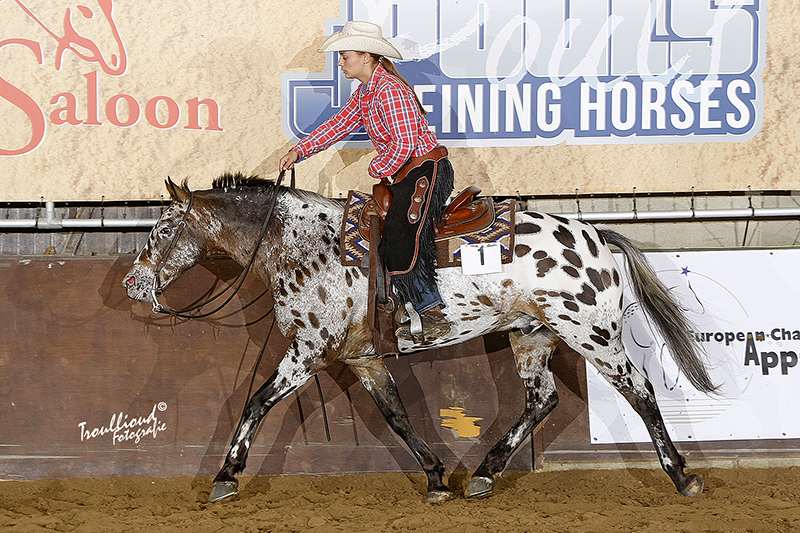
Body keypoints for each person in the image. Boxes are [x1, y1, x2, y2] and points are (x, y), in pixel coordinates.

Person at [279, 20, 454, 342]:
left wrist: (378, 166)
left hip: (424, 170)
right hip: (406, 171)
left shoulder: (390, 91)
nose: (340, 62)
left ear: (367, 56)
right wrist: (299, 151)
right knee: (389, 234)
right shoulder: (366, 93)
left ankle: (432, 310)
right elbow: (337, 126)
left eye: (345, 56)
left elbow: (403, 143)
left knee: (403, 235)